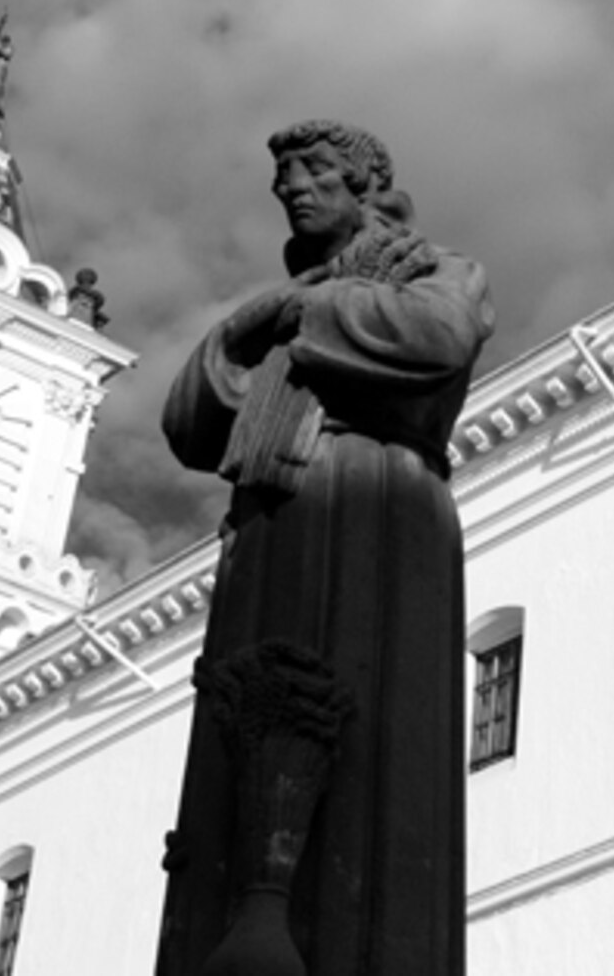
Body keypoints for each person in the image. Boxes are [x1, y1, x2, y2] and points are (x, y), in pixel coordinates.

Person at [157, 121, 493, 976]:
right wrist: (247, 323)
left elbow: (441, 336)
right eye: (284, 182)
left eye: (314, 175)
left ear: (365, 186)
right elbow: (190, 424)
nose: (294, 191)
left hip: (375, 504)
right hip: (272, 519)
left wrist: (304, 310)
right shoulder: (279, 312)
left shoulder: (434, 269)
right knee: (247, 711)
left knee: (370, 730)